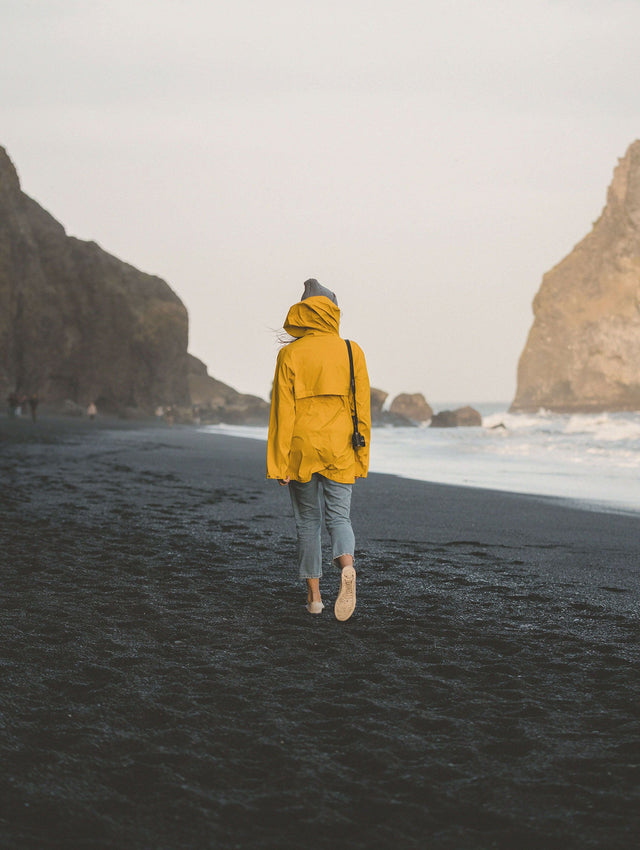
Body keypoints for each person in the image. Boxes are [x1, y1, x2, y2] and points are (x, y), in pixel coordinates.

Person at [267, 279, 371, 620]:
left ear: (304, 311)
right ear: (333, 311)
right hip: (339, 446)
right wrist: (362, 458)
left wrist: (278, 463)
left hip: (301, 448)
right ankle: (347, 566)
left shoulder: (290, 354)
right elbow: (362, 410)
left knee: (308, 522)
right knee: (339, 517)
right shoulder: (351, 351)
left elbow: (283, 413)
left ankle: (314, 598)